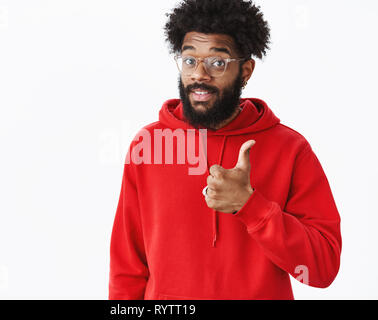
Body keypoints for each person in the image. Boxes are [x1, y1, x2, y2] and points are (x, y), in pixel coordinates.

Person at [109, 0, 341, 300]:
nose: (199, 75)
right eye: (190, 60)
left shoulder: (290, 149)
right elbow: (127, 267)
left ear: (246, 71)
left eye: (217, 62)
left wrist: (250, 206)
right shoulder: (150, 146)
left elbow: (323, 268)